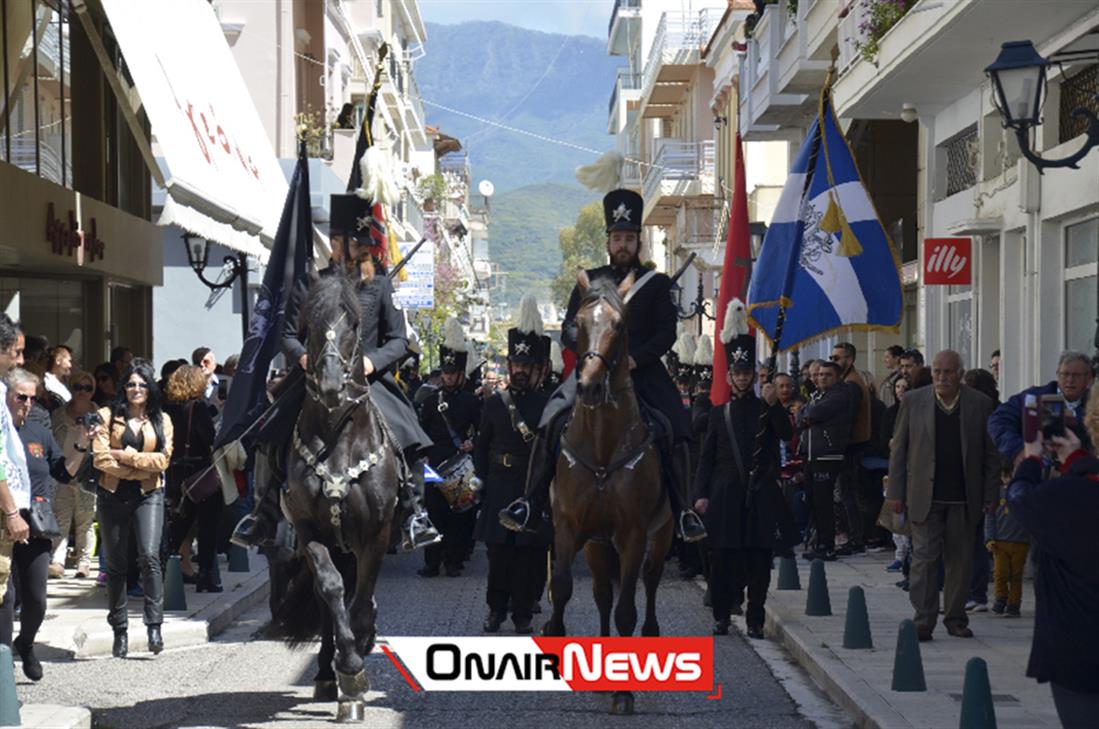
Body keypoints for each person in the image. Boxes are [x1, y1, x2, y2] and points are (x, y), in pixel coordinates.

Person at [231, 191, 439, 551]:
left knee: (409, 433)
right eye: (349, 240)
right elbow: (287, 335)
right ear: (335, 242)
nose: (357, 248)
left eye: (362, 241)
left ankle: (415, 514)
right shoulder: (311, 282)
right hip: (314, 375)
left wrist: (372, 361)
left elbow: (399, 340)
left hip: (365, 380)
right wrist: (303, 359)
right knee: (271, 430)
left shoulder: (380, 285)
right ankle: (263, 513)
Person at [499, 188, 706, 543]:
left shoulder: (654, 284)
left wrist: (634, 358)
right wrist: (585, 352)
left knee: (676, 425)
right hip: (592, 369)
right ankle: (529, 501)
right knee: (551, 418)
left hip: (640, 371)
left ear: (638, 242)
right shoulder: (589, 282)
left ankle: (683, 509)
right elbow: (567, 326)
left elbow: (665, 333)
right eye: (617, 238)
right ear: (608, 242)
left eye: (629, 238)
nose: (623, 245)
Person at [694, 301, 792, 638]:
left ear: (753, 376)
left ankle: (754, 619)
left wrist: (775, 405)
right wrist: (700, 496)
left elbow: (787, 435)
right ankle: (722, 615)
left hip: (761, 493)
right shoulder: (719, 414)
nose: (741, 378)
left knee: (760, 562)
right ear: (729, 376)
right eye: (737, 373)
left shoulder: (766, 406)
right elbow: (706, 459)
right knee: (722, 560)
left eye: (747, 373)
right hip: (724, 494)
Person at [886, 350, 998, 642]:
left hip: (963, 497)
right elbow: (899, 451)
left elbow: (991, 455)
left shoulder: (979, 404)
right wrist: (896, 492)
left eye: (948, 372)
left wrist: (990, 493)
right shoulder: (914, 401)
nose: (942, 377)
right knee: (924, 560)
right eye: (937, 371)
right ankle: (923, 620)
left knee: (959, 562)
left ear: (960, 374)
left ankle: (956, 618)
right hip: (924, 496)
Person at [1008, 420, 1099, 727]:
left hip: (1078, 650)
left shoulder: (1066, 494)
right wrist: (1077, 460)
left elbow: (1019, 499)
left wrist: (1032, 460)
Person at [0, 368, 83, 680]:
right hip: (4, 522)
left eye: (33, 399)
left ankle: (26, 643)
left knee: (36, 599)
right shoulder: (3, 432)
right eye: (21, 397)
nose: (27, 404)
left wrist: (81, 443)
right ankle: (4, 662)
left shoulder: (39, 432)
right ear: (6, 396)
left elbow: (63, 472)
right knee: (5, 598)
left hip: (35, 525)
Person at [474, 297, 550, 634]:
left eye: (526, 366)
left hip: (533, 486)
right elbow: (481, 446)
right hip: (500, 484)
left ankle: (523, 614)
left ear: (538, 369)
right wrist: (480, 482)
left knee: (529, 556)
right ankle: (495, 610)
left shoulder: (551, 405)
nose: (519, 371)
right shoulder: (494, 403)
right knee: (500, 554)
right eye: (515, 365)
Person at [92, 358, 174, 658]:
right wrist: (140, 464)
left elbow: (163, 461)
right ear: (123, 388)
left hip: (148, 495)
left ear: (150, 389)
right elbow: (101, 459)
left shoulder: (161, 419)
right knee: (116, 564)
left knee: (150, 556)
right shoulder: (106, 415)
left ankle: (154, 626)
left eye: (141, 384)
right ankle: (120, 629)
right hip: (112, 495)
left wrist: (125, 456)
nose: (135, 389)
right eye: (130, 384)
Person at [419, 318, 481, 577]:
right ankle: (432, 561)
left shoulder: (471, 401)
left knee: (459, 516)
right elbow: (421, 430)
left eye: (452, 373)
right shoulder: (431, 401)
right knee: (434, 513)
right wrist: (422, 455)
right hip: (434, 462)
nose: (447, 376)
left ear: (461, 375)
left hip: (460, 463)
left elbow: (481, 431)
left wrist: (472, 443)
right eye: (445, 372)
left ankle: (454, 560)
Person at [164, 365, 222, 593]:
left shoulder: (167, 407)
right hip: (200, 472)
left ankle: (160, 565)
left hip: (175, 472)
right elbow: (209, 438)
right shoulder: (197, 407)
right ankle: (206, 576)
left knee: (179, 523)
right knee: (207, 526)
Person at [988, 350, 1093, 466]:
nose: (1070, 380)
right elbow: (998, 420)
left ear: (1089, 378)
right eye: (1065, 374)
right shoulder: (1033, 397)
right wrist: (1019, 450)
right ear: (1057, 375)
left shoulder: (1094, 405)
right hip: (1039, 471)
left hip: (1082, 472)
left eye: (1076, 375)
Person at [796, 361, 853, 561]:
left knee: (823, 501)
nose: (821, 378)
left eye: (827, 375)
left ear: (836, 377)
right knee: (812, 499)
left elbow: (812, 413)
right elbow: (800, 416)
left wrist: (807, 415)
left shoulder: (839, 395)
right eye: (819, 375)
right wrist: (805, 415)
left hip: (827, 455)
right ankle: (819, 541)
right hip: (811, 455)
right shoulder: (817, 395)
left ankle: (827, 545)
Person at [49, 370, 99, 579]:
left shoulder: (99, 413)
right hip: (61, 472)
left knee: (85, 521)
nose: (82, 392)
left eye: (87, 388)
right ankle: (57, 561)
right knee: (61, 519)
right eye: (78, 387)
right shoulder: (59, 414)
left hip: (87, 473)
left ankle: (84, 562)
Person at [830, 342, 869, 555]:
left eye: (838, 358)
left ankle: (855, 538)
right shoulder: (847, 380)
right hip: (849, 444)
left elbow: (848, 416)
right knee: (845, 492)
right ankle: (852, 537)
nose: (834, 361)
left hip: (851, 445)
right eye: (832, 357)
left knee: (847, 493)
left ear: (850, 360)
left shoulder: (852, 384)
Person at [985, 463, 1028, 617]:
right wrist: (989, 538)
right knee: (1000, 573)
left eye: (1012, 476)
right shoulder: (996, 495)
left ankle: (1014, 604)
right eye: (1006, 476)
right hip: (1000, 542)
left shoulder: (1024, 494)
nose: (1009, 480)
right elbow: (990, 518)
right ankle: (1000, 598)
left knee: (1016, 575)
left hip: (1020, 541)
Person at [42, 345, 73, 410]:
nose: (70, 365)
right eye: (69, 361)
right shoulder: (46, 381)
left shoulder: (66, 383)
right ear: (58, 360)